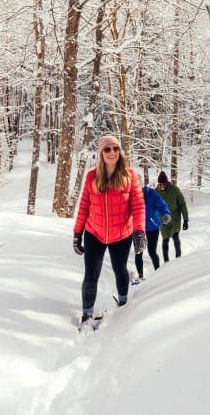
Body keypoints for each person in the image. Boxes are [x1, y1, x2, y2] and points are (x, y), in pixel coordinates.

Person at [72, 135, 146, 324]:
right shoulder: (91, 177)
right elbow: (84, 206)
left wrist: (139, 232)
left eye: (115, 148)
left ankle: (122, 305)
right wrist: (77, 233)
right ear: (101, 153)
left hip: (121, 234)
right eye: (107, 149)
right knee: (91, 275)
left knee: (119, 269)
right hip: (94, 234)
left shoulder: (130, 176)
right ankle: (87, 315)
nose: (112, 152)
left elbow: (138, 207)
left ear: (119, 151)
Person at [133, 183, 171, 283]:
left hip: (152, 227)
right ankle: (140, 276)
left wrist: (166, 213)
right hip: (138, 228)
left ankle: (158, 273)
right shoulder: (131, 195)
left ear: (143, 188)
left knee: (152, 251)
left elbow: (161, 204)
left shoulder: (152, 194)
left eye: (140, 189)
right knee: (138, 252)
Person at [156, 171, 188, 262]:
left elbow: (182, 204)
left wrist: (186, 219)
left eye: (163, 184)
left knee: (175, 237)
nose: (162, 186)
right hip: (163, 219)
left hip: (175, 218)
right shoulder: (156, 191)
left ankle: (178, 258)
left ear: (166, 183)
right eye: (160, 184)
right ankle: (166, 261)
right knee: (165, 240)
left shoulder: (174, 190)